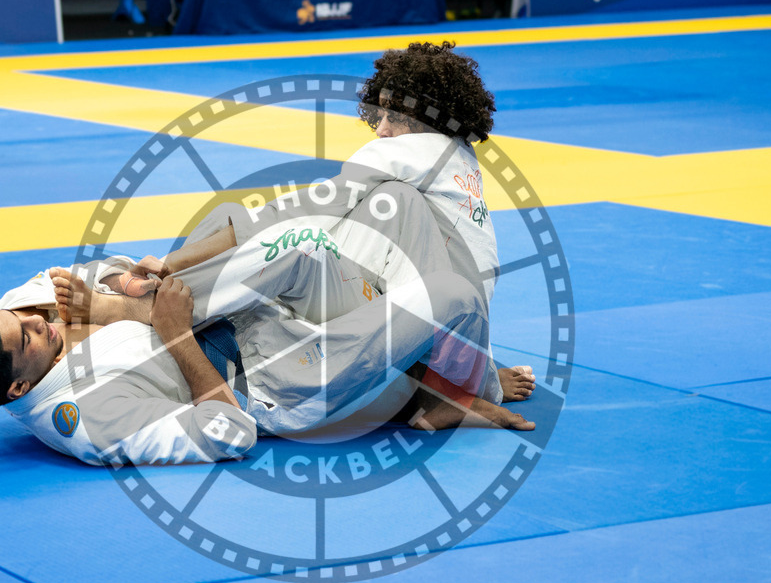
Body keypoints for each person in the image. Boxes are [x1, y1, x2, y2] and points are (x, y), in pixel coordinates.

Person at [0, 207, 534, 467]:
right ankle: (457, 389)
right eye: (29, 339)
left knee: (260, 230)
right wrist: (173, 338)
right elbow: (229, 433)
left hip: (229, 311)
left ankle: (413, 389)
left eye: (25, 319)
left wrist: (125, 286)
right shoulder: (88, 421)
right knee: (452, 295)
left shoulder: (16, 312)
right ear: (17, 388)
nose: (38, 321)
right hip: (273, 379)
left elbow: (102, 269)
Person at [171, 41, 532, 407]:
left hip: (401, 333)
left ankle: (160, 304)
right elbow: (477, 278)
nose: (381, 130)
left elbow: (292, 212)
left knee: (261, 227)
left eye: (393, 117)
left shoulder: (405, 154)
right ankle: (170, 304)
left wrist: (174, 263)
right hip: (450, 342)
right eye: (381, 117)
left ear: (422, 116)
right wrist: (483, 378)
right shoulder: (461, 161)